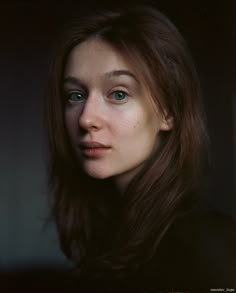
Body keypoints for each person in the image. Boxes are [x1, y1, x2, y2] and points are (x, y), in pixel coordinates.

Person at [45, 4, 236, 292]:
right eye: (75, 94)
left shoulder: (207, 246)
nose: (86, 119)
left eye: (118, 94)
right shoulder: (111, 233)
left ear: (168, 111)